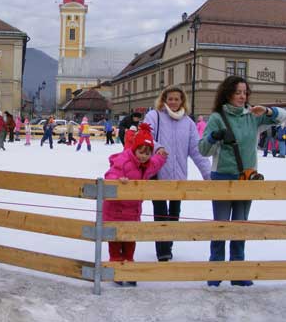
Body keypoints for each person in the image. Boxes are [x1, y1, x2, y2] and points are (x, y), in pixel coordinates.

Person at [199, 75, 286, 287]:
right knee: (221, 226)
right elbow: (203, 149)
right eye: (238, 92)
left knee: (241, 226)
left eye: (245, 92)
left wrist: (266, 110)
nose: (242, 96)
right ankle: (216, 270)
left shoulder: (253, 115)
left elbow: (282, 116)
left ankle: (238, 271)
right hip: (222, 177)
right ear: (228, 93)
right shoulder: (217, 117)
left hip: (246, 177)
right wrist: (214, 136)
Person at [144, 85, 211, 262]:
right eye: (170, 99)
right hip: (157, 174)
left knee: (174, 213)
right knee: (160, 212)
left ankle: (168, 242)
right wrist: (158, 149)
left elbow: (196, 150)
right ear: (164, 100)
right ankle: (163, 250)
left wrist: (208, 173)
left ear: (182, 101)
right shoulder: (154, 116)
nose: (173, 102)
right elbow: (147, 137)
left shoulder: (188, 123)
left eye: (177, 99)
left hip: (179, 176)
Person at [103, 123, 167, 287]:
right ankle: (117, 271)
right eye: (141, 152)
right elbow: (110, 175)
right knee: (116, 245)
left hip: (132, 213)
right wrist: (118, 181)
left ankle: (129, 271)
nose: (144, 156)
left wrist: (161, 155)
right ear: (134, 149)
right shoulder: (124, 161)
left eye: (147, 153)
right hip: (115, 212)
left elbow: (155, 164)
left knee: (130, 245)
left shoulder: (146, 164)